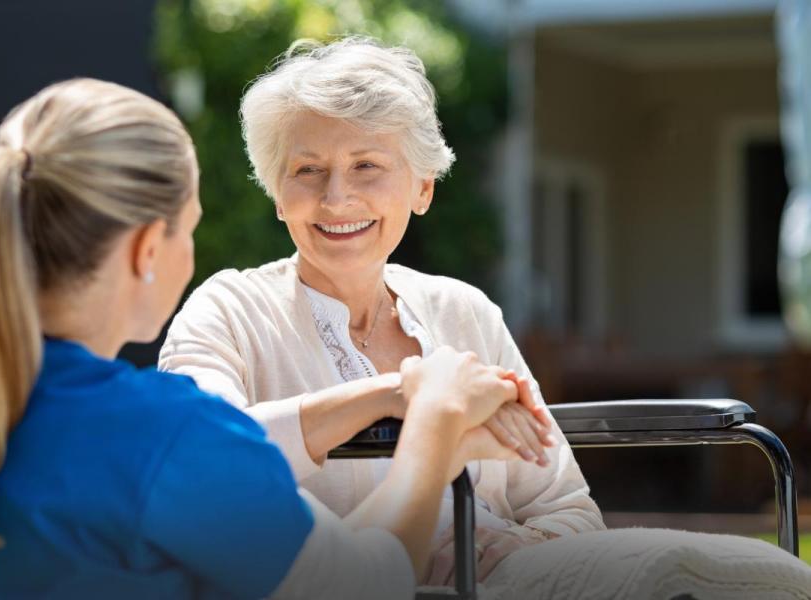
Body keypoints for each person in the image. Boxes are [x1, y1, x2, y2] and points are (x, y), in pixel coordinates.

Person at [0, 78, 544, 599]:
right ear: (144, 250)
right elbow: (364, 583)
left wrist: (390, 399)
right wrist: (434, 416)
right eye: (189, 228)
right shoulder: (163, 436)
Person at [159, 36, 604, 589]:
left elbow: (568, 508)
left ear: (422, 187)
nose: (336, 197)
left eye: (366, 165)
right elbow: (203, 463)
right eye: (307, 170)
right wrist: (400, 396)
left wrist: (502, 558)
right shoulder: (227, 311)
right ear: (277, 194)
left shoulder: (465, 312)